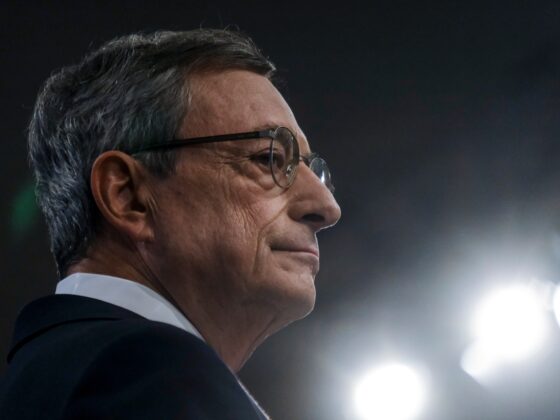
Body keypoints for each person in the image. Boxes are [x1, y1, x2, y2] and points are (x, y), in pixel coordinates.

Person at [0, 29, 341, 419]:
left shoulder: (59, 371)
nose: (326, 207)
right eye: (268, 159)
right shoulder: (143, 373)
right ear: (128, 196)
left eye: (313, 171)